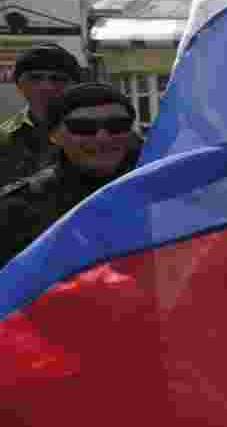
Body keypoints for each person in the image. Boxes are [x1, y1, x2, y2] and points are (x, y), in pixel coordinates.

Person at [0, 83, 140, 266]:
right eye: (83, 127)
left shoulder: (159, 193)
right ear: (54, 135)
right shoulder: (16, 208)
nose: (102, 137)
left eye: (117, 125)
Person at [0, 43, 82, 187]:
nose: (46, 87)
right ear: (19, 84)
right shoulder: (3, 136)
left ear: (75, 84)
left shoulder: (106, 131)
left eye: (58, 79)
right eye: (35, 78)